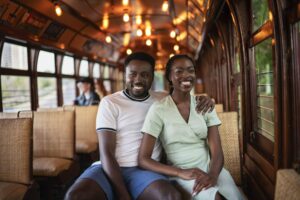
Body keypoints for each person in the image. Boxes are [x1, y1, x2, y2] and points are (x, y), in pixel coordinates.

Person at [65, 52, 215, 200]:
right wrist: (123, 195)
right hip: (108, 168)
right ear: (125, 75)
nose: (138, 79)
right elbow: (106, 153)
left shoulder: (163, 99)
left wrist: (206, 99)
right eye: (133, 74)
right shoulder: (110, 102)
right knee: (75, 196)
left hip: (145, 170)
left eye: (145, 75)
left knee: (171, 197)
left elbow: (188, 100)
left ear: (152, 77)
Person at [138, 54, 243, 200]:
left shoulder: (205, 105)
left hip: (212, 169)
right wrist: (179, 172)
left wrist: (212, 175)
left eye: (190, 70)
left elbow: (217, 151)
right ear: (169, 76)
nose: (186, 75)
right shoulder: (159, 109)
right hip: (182, 175)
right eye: (179, 71)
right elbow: (143, 159)